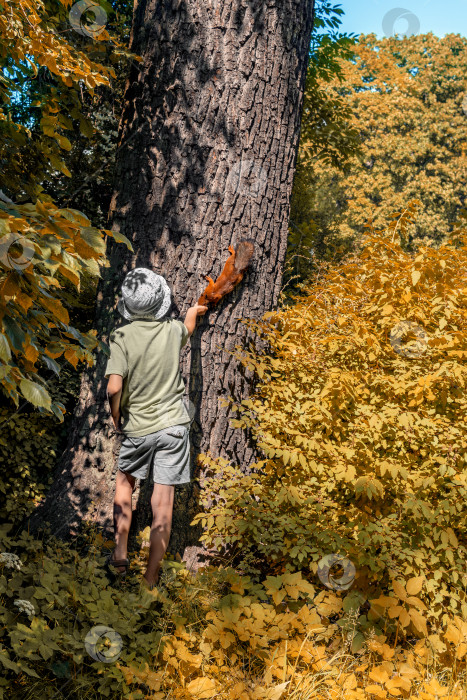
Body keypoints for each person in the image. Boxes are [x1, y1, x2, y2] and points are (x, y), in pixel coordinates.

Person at [104, 267, 207, 589]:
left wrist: (115, 413)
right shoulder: (172, 330)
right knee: (163, 504)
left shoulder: (121, 336)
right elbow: (188, 329)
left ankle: (120, 554)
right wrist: (192, 311)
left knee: (124, 483)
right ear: (161, 301)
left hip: (138, 428)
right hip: (174, 426)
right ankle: (150, 580)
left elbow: (112, 387)